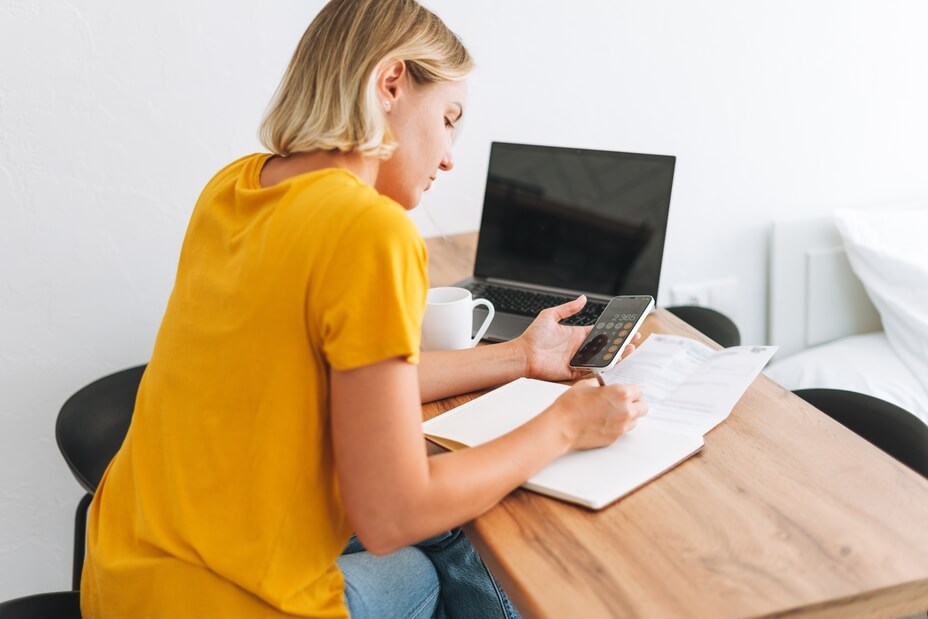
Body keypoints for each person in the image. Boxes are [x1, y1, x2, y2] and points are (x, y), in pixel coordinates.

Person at [80, 1, 648, 617]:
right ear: (391, 83)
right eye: (449, 118)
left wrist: (521, 356)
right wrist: (565, 425)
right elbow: (392, 516)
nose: (450, 155)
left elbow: (341, 376)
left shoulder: (234, 186)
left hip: (124, 573)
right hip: (226, 603)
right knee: (429, 555)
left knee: (448, 515)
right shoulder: (369, 229)